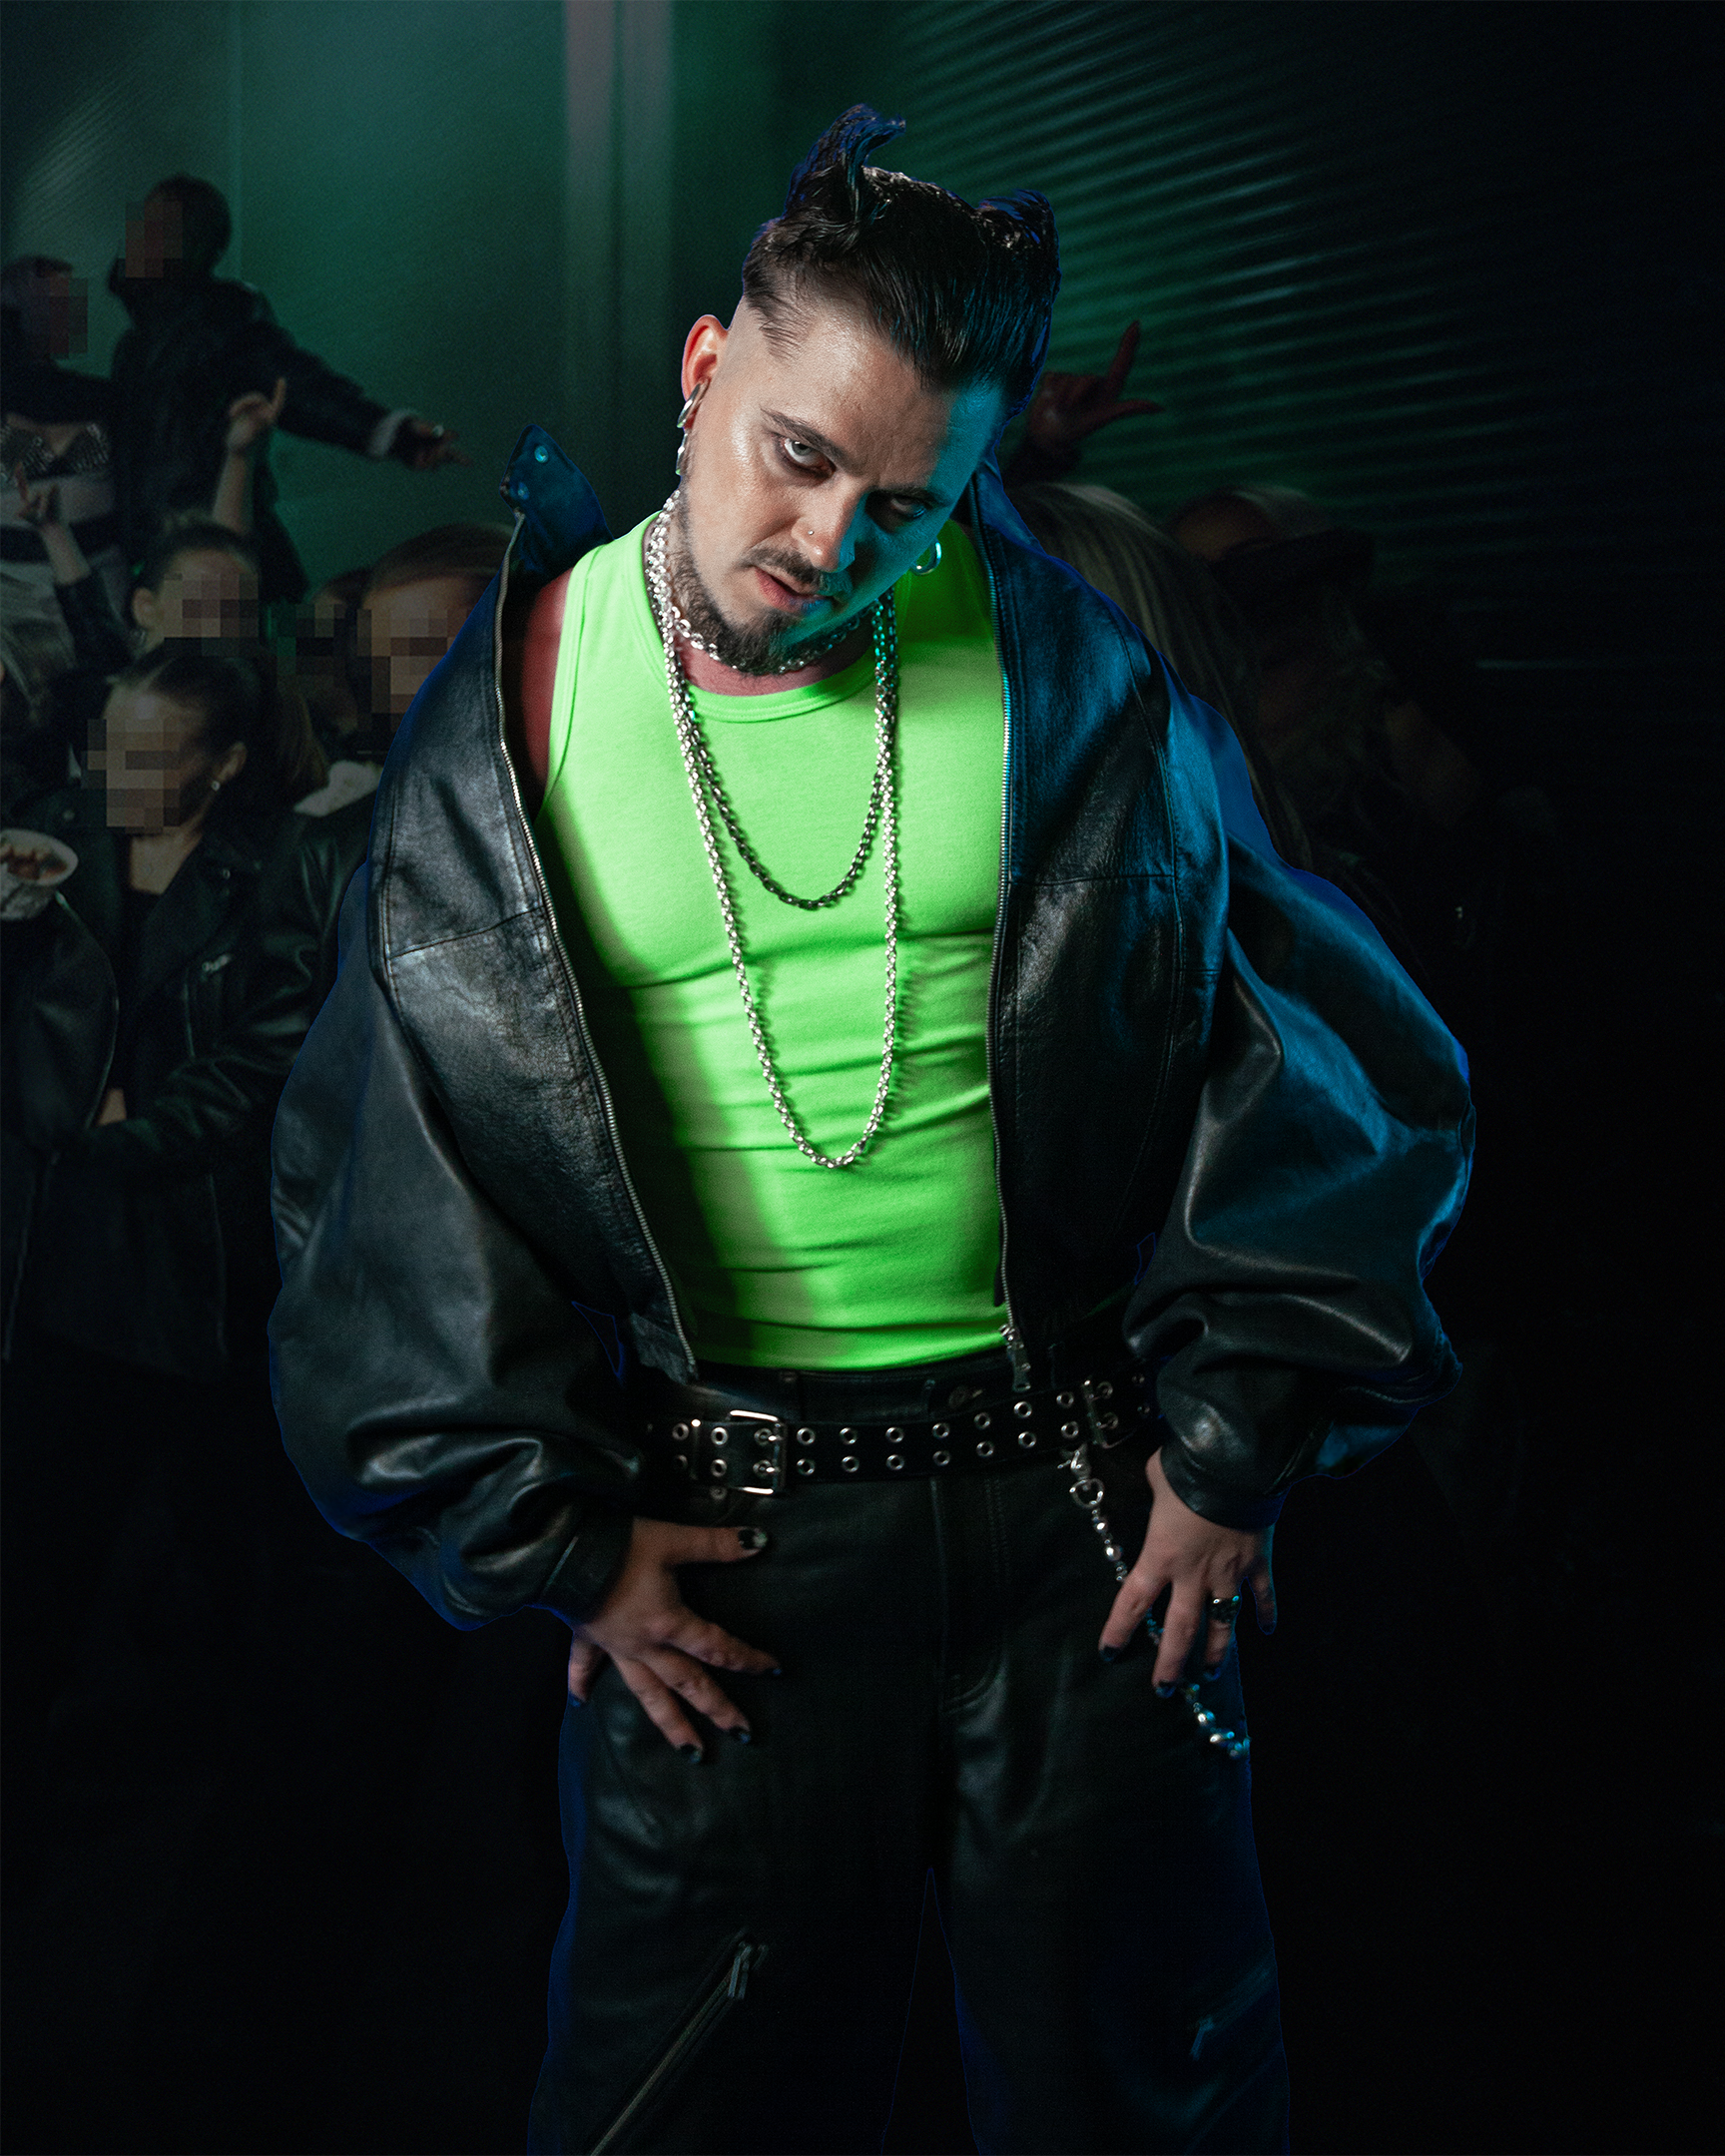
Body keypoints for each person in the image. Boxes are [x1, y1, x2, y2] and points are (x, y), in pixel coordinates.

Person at [269, 108, 1471, 2155]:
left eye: (905, 506)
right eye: (796, 458)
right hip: (733, 1543)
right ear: (702, 369)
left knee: (1148, 2100)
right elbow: (382, 1167)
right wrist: (560, 1544)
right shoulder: (518, 712)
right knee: (680, 2107)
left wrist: (1232, 1447)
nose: (829, 546)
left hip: (1089, 1527)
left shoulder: (1072, 674)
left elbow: (1312, 1041)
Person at [107, 174, 468, 602]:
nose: (140, 237)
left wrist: (390, 432)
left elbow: (297, 386)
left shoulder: (221, 316)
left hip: (221, 550)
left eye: (161, 226)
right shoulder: (132, 349)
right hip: (162, 561)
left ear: (196, 247)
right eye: (143, 223)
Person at [1, 257, 128, 652]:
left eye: (67, 298)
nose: (63, 310)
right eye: (48, 299)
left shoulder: (100, 397)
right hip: (14, 603)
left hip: (104, 587)